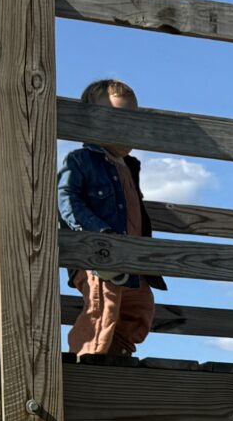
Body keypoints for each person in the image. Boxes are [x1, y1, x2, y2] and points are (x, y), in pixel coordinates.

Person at [60, 78, 163, 358]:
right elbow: (67, 199)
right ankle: (87, 357)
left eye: (132, 120)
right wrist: (97, 234)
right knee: (103, 309)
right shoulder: (81, 161)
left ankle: (117, 355)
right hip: (98, 256)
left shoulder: (129, 167)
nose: (126, 128)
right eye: (116, 119)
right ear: (91, 124)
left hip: (132, 259)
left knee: (139, 308)